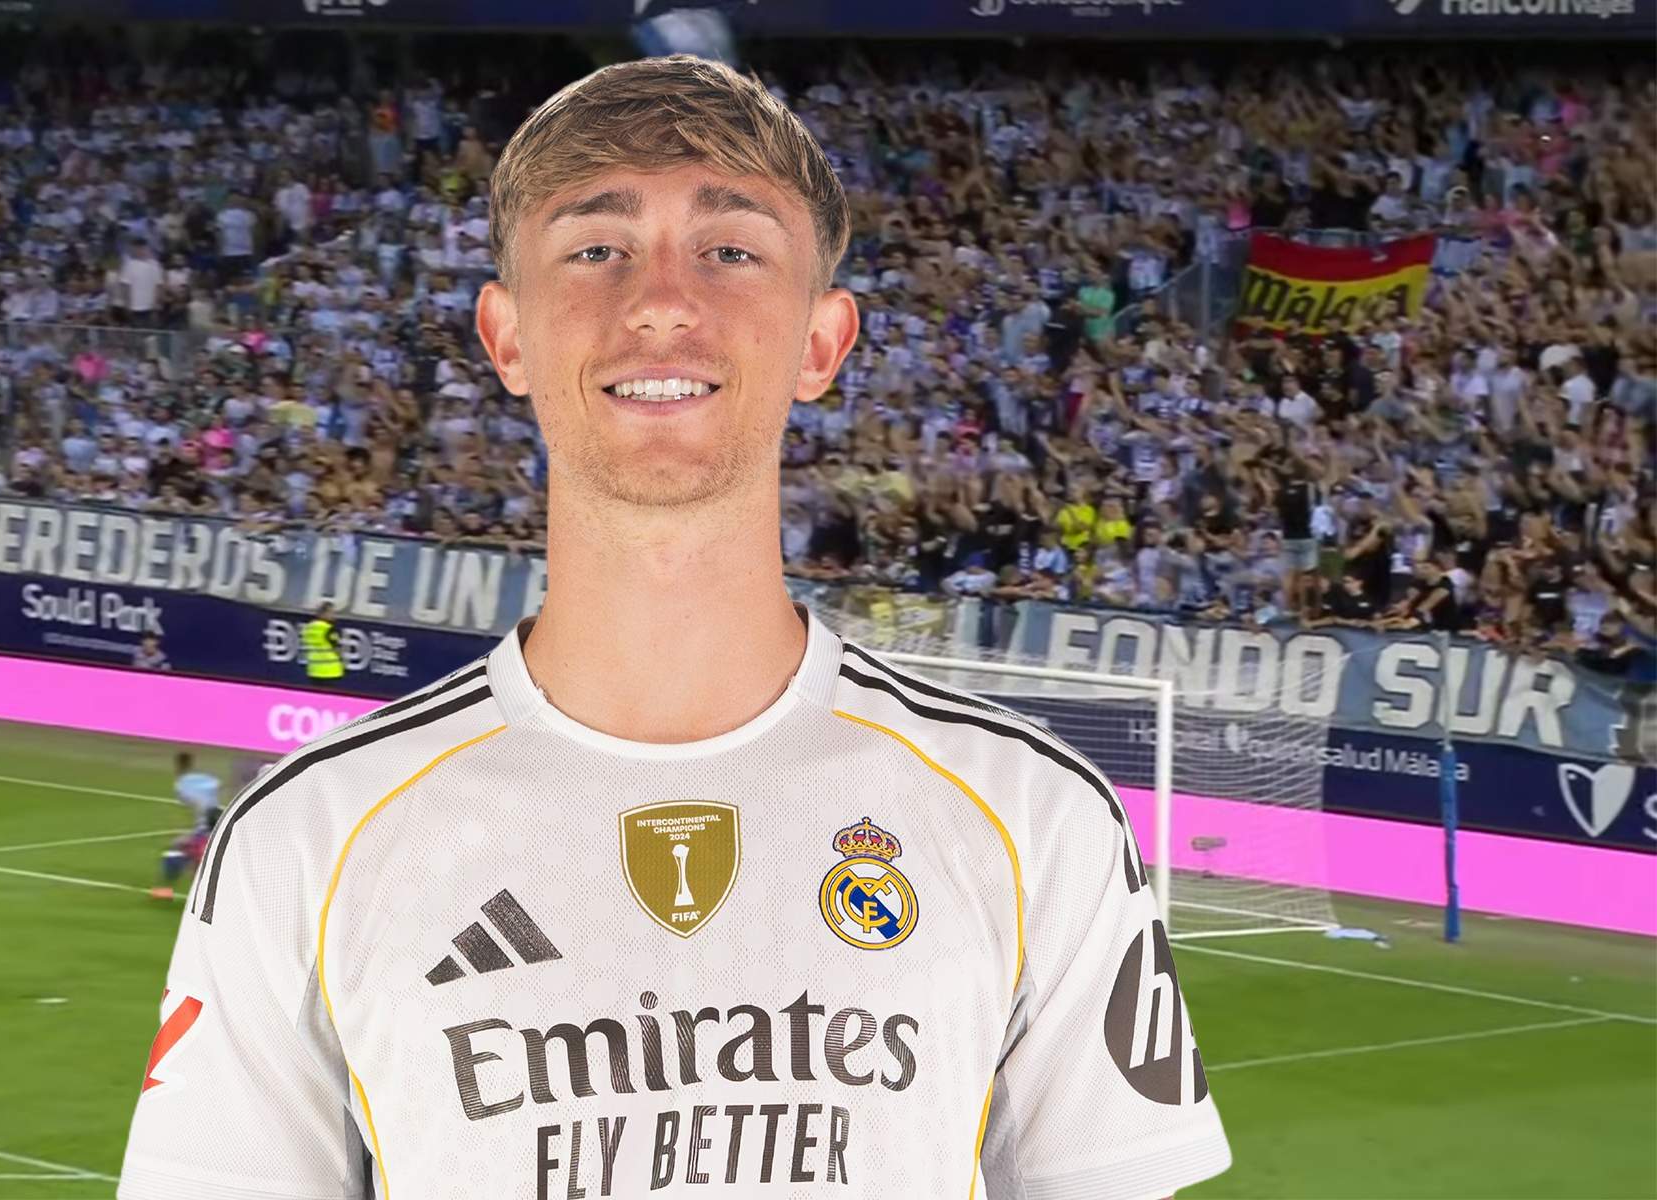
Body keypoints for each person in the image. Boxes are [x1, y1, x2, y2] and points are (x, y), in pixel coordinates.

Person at [117, 56, 1229, 1199]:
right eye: (595, 249)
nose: (659, 301)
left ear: (820, 344)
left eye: (731, 251)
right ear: (504, 337)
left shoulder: (1031, 814)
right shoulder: (304, 838)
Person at [154, 752, 223, 898]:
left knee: (180, 852)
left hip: (205, 832)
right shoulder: (205, 780)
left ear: (177, 765)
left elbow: (192, 807)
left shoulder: (182, 786)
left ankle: (168, 891)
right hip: (214, 828)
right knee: (192, 860)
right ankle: (200, 896)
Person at [301, 603, 346, 682]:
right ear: (324, 613)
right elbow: (336, 648)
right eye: (331, 612)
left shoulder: (308, 628)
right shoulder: (329, 629)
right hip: (331, 671)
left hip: (314, 670)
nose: (333, 615)